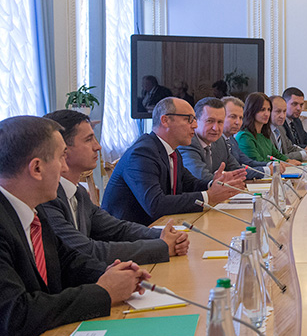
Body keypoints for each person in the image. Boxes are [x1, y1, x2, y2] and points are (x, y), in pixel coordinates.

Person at [0, 116, 151, 336]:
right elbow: (14, 315)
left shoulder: (33, 209)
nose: (64, 167)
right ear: (37, 168)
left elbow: (68, 261)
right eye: (61, 157)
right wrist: (104, 292)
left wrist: (113, 274)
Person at [40, 110, 189, 265]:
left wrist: (164, 235)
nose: (97, 146)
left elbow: (118, 229)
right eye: (89, 139)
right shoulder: (47, 200)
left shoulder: (79, 193)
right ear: (63, 150)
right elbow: (86, 250)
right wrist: (161, 246)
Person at [101, 97, 243, 225]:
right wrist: (208, 196)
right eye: (189, 119)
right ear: (165, 120)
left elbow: (190, 184)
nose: (194, 125)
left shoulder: (171, 151)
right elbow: (156, 205)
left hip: (158, 229)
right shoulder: (143, 153)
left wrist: (215, 184)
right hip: (129, 239)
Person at [178, 97, 273, 183]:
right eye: (210, 121)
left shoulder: (220, 141)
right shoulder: (188, 143)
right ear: (195, 121)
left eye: (220, 122)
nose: (216, 128)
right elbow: (202, 177)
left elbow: (236, 170)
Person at [234, 92, 297, 164]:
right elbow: (257, 162)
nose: (267, 114)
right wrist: (284, 164)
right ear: (252, 110)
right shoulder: (244, 137)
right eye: (262, 109)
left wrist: (289, 161)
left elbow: (276, 154)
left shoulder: (264, 134)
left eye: (269, 109)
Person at [269, 95, 307, 161]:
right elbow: (275, 158)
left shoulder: (280, 128)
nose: (282, 116)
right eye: (278, 111)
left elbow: (290, 148)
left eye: (284, 111)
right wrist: (305, 153)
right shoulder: (263, 132)